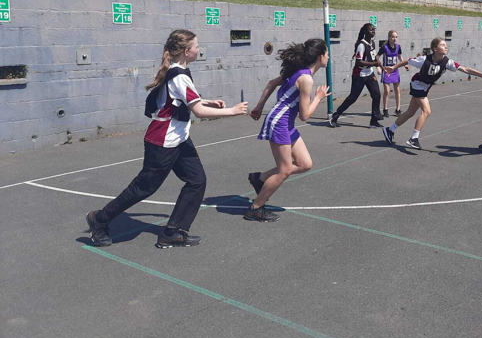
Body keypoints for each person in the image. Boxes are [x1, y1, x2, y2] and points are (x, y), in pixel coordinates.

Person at [86, 29, 249, 248]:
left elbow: (176, 99)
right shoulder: (179, 75)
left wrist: (206, 101)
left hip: (179, 139)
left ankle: (172, 232)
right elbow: (198, 111)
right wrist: (232, 111)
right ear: (186, 51)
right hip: (163, 141)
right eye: (197, 46)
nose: (199, 49)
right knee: (144, 188)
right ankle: (99, 219)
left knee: (197, 181)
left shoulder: (177, 70)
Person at [246, 39, 330, 222]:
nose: (328, 57)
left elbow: (271, 83)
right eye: (327, 53)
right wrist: (318, 97)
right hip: (279, 123)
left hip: (285, 123)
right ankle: (255, 207)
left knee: (305, 164)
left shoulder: (299, 71)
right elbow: (304, 115)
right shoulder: (306, 78)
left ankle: (260, 179)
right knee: (284, 170)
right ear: (320, 56)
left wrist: (260, 106)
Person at [381, 38, 482, 149]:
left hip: (425, 87)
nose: (445, 46)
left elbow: (466, 69)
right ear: (435, 48)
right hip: (417, 84)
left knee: (410, 112)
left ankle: (390, 130)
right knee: (426, 111)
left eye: (446, 45)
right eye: (442, 45)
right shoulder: (424, 60)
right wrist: (393, 67)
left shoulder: (447, 62)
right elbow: (407, 61)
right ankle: (414, 139)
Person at [329, 23, 383, 128]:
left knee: (376, 95)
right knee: (352, 98)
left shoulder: (372, 43)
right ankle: (335, 116)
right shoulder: (361, 45)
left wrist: (378, 63)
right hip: (359, 74)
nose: (373, 31)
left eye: (374, 29)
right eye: (371, 29)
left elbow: (373, 56)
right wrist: (374, 64)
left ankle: (374, 120)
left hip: (370, 73)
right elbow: (358, 62)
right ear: (365, 32)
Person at [378, 30, 406, 116]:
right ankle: (385, 109)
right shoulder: (384, 47)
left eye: (396, 37)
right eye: (393, 37)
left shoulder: (398, 47)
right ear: (389, 37)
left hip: (395, 70)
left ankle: (398, 109)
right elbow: (377, 57)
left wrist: (405, 65)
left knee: (397, 90)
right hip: (386, 71)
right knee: (387, 91)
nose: (394, 39)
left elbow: (400, 57)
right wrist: (379, 67)